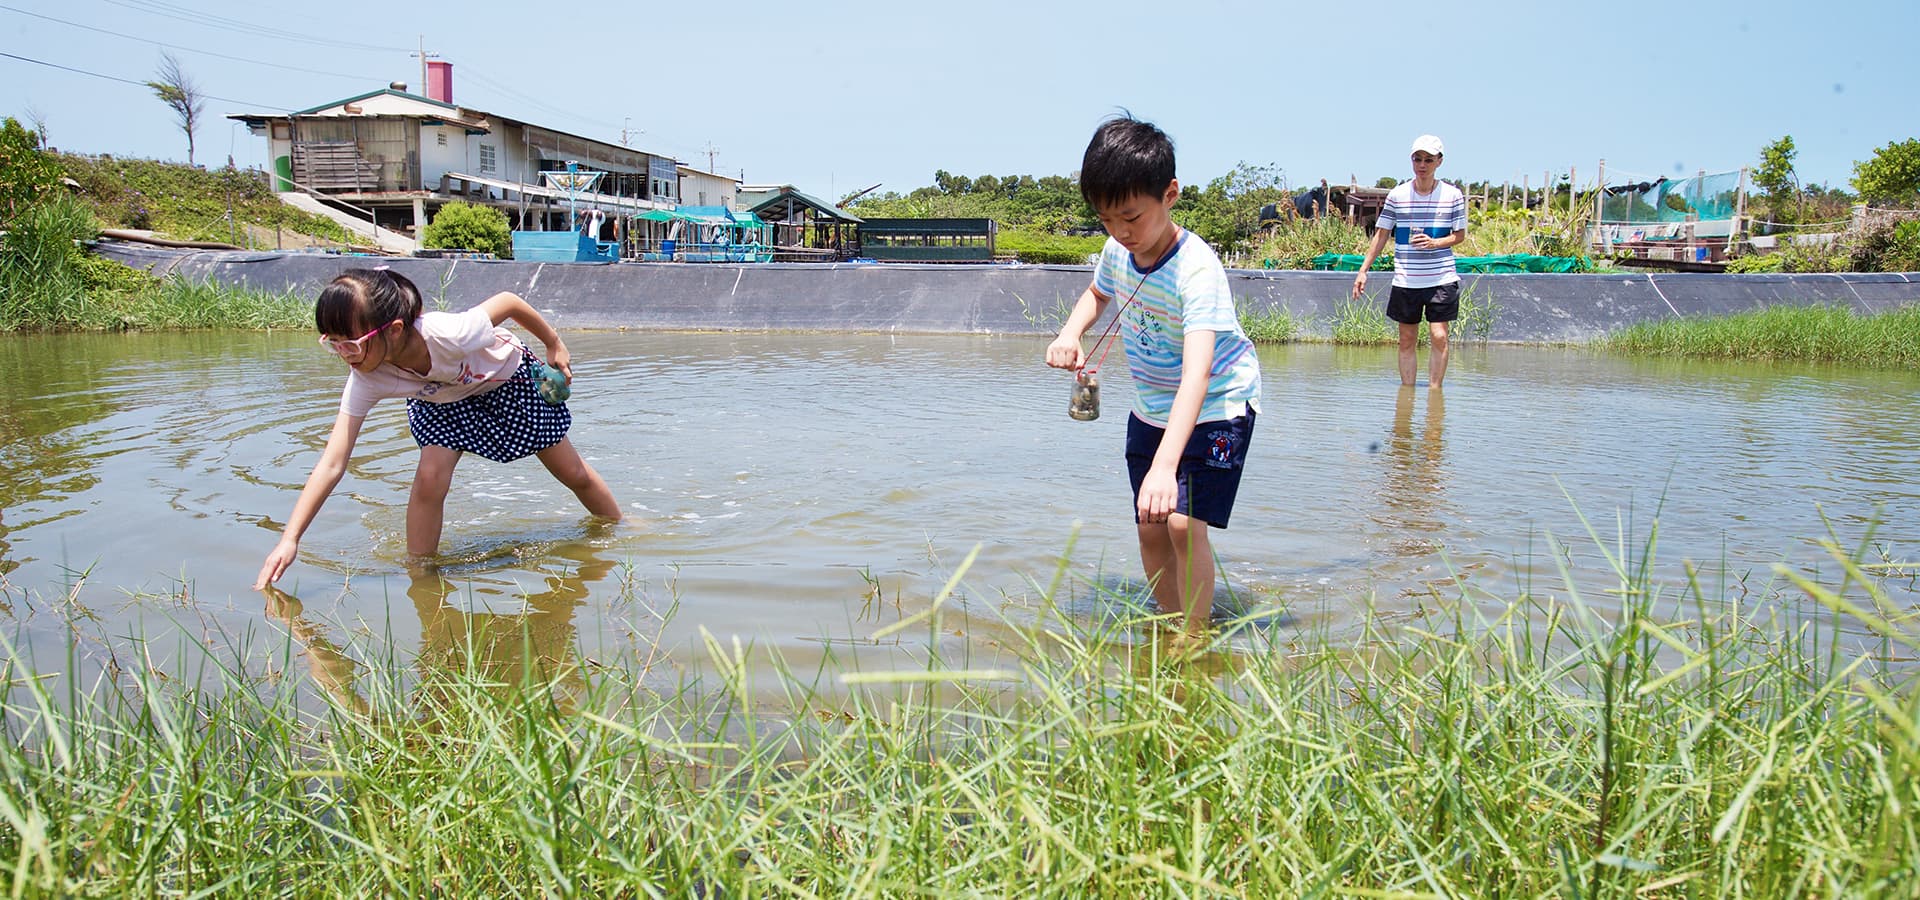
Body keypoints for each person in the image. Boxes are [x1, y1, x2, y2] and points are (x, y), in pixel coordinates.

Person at [254, 267, 621, 588]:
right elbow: (332, 463)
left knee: (572, 472)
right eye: (332, 345)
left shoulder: (450, 333)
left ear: (394, 330)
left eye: (350, 345)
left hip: (503, 380)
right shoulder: (367, 377)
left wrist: (554, 343)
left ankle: (617, 526)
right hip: (441, 401)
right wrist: (290, 538)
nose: (344, 357)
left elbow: (508, 302)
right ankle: (421, 576)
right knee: (429, 479)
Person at [1045, 115, 1262, 638]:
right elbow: (1098, 294)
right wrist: (1071, 332)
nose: (1120, 233)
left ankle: (1195, 637)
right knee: (1150, 527)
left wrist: (1166, 466)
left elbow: (1198, 375)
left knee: (1185, 526)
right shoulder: (1117, 250)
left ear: (1170, 194)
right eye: (1106, 220)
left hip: (1216, 404)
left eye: (1131, 217)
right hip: (1152, 406)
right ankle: (1171, 627)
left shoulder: (1197, 269)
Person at [1352, 135, 1469, 389]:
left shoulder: (1452, 195)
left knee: (1439, 336)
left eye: (1428, 159)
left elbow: (1459, 236)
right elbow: (1382, 234)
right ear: (1411, 161)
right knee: (1406, 339)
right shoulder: (1398, 195)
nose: (1422, 165)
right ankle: (1408, 394)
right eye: (1418, 159)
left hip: (1441, 278)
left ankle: (1434, 393)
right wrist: (1363, 270)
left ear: (1439, 162)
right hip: (1407, 278)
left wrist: (1435, 243)